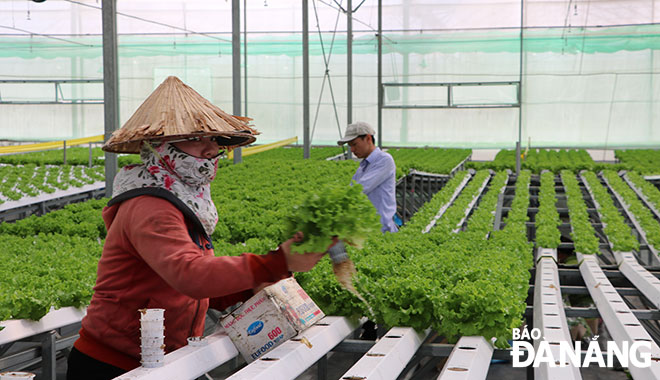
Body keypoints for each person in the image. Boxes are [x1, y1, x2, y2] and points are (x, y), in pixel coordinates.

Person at [66, 77, 329, 379]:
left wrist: (246, 288)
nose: (211, 149)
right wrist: (275, 262)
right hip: (113, 366)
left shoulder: (182, 202)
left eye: (215, 140)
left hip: (159, 360)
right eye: (197, 138)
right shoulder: (150, 205)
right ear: (161, 146)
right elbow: (189, 275)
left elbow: (183, 290)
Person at [338, 121, 398, 233]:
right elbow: (351, 190)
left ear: (368, 139)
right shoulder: (363, 166)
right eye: (350, 146)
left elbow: (359, 189)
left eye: (354, 144)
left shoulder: (384, 160)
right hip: (366, 231)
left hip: (382, 233)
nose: (352, 150)